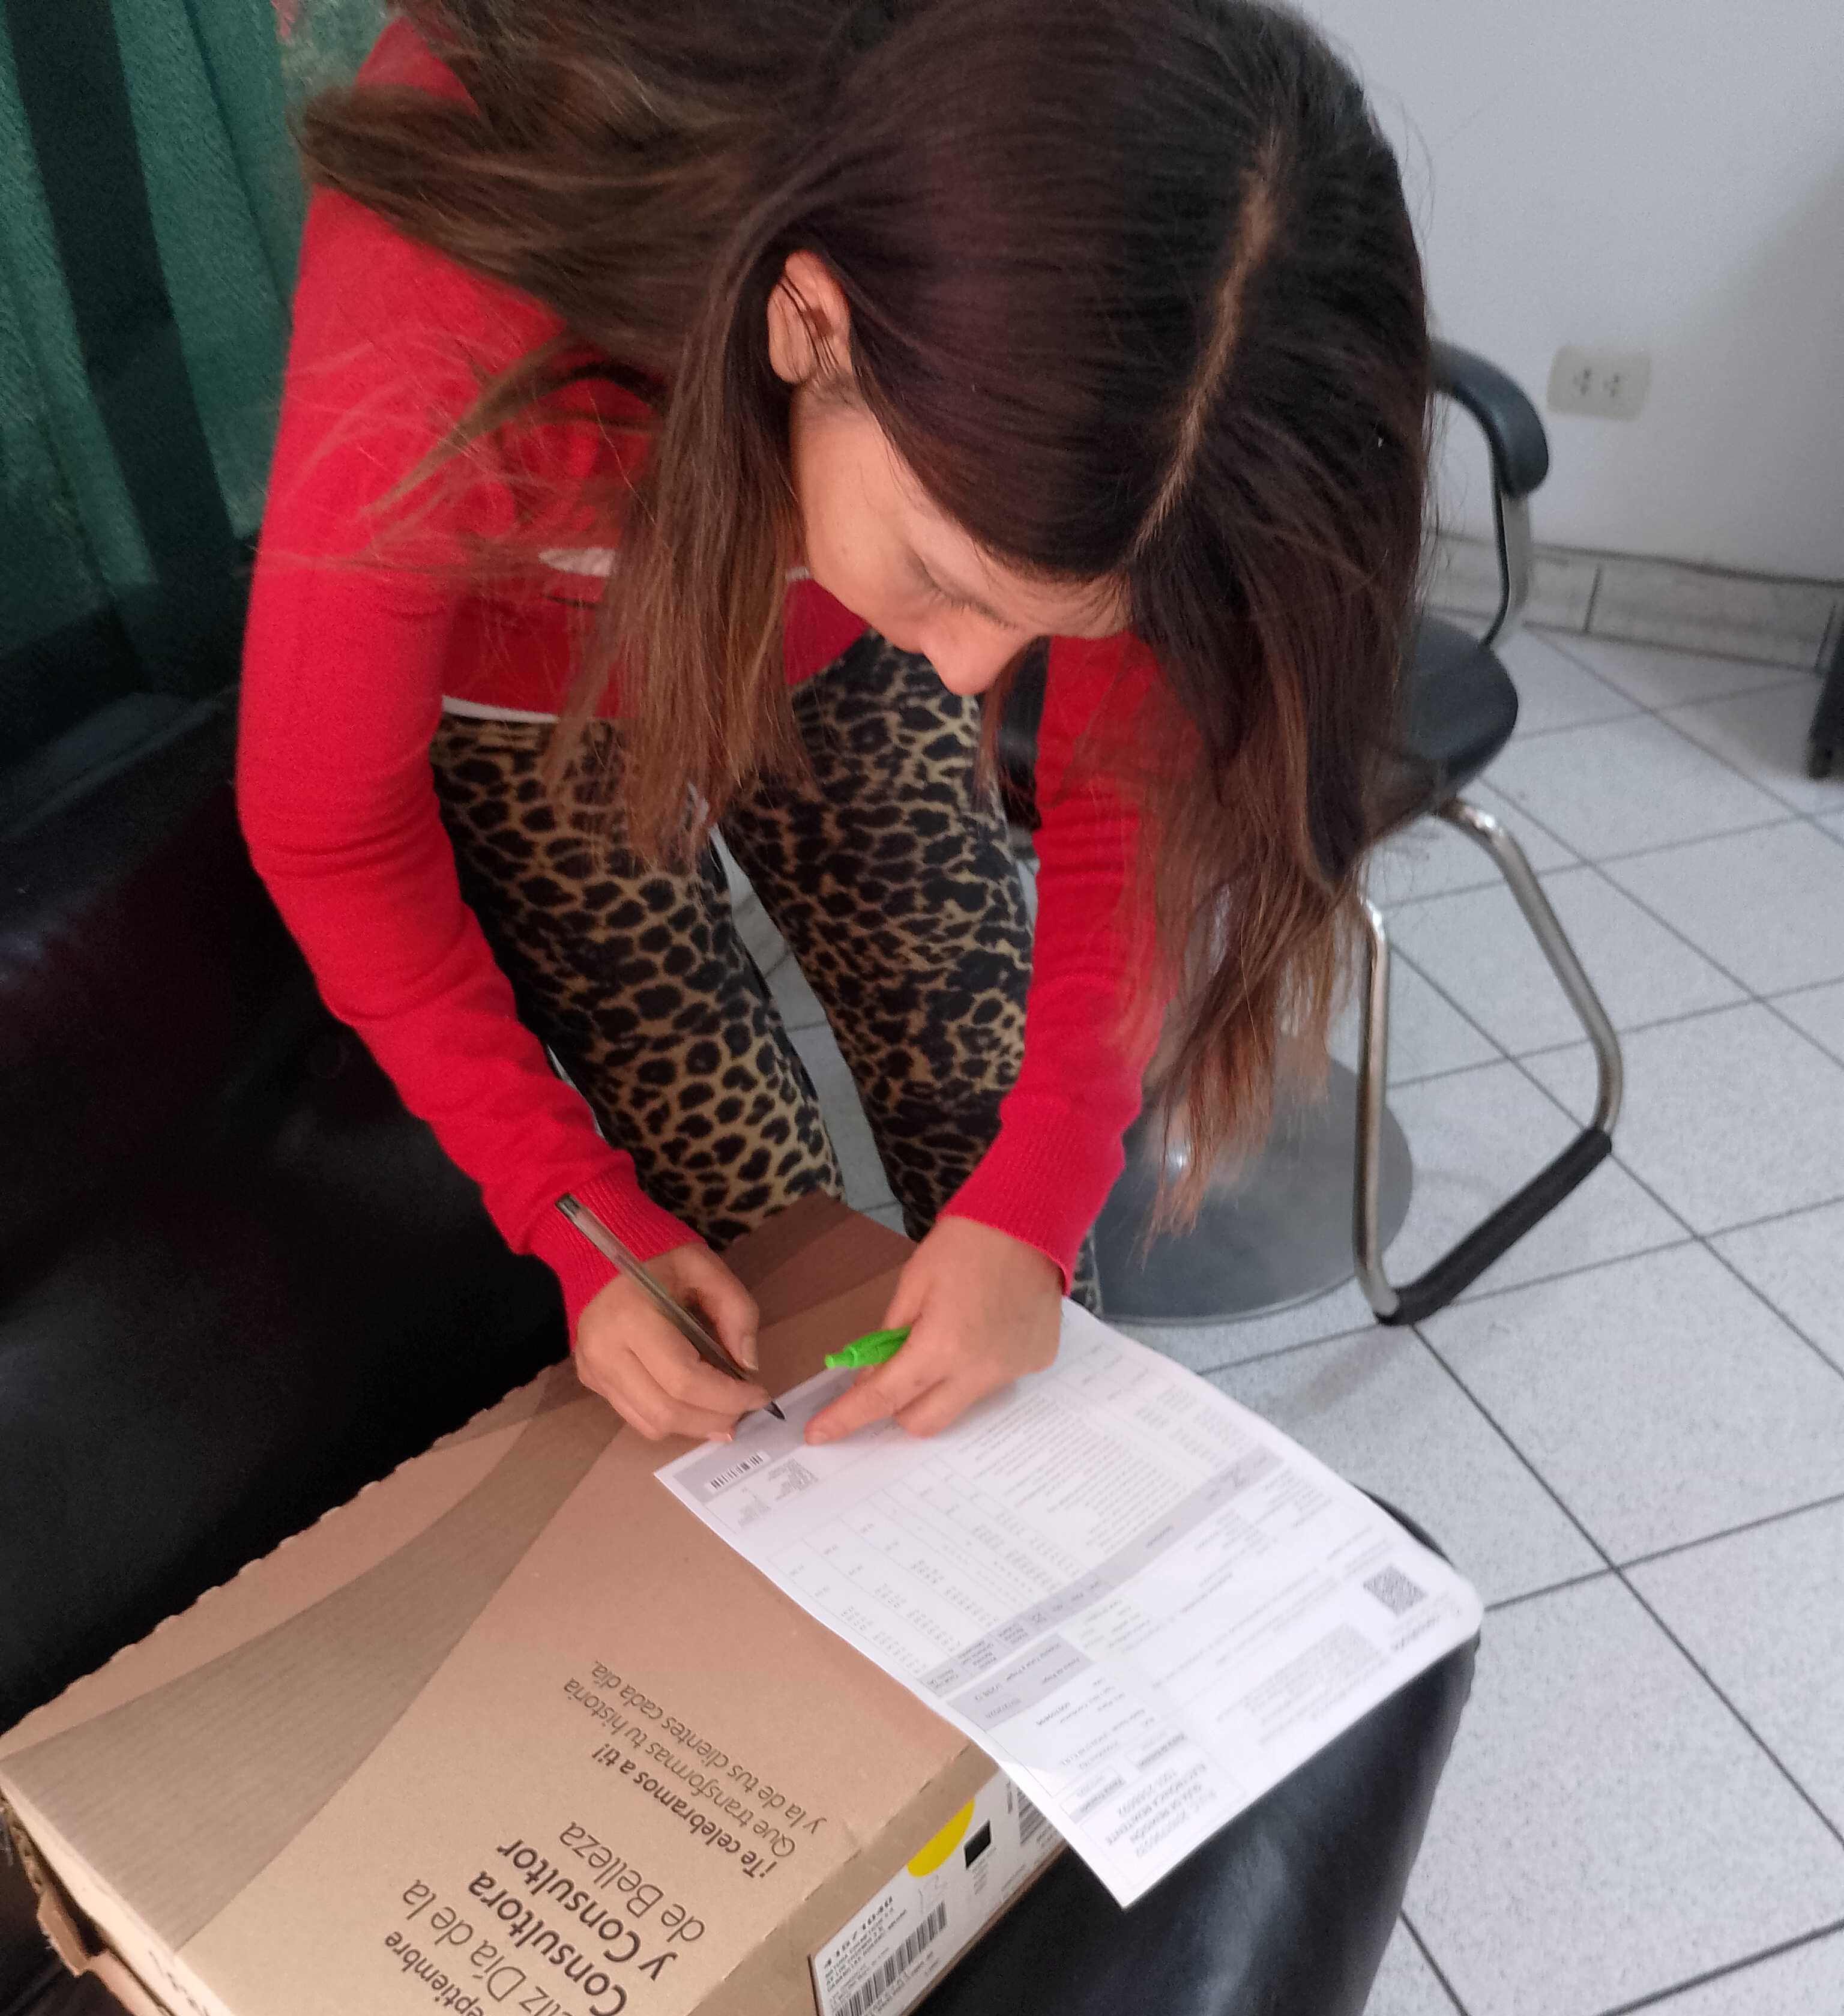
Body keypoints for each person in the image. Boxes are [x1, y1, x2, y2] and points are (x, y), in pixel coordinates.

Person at [237, 0, 1430, 1451]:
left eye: (1050, 619)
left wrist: (1038, 1204)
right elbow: (331, 835)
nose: (973, 676)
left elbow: (1125, 774)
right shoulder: (447, 316)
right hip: (548, 685)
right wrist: (571, 1209)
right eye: (953, 578)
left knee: (990, 1088)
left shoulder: (1122, 312)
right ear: (809, 321)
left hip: (834, 603)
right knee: (755, 1236)